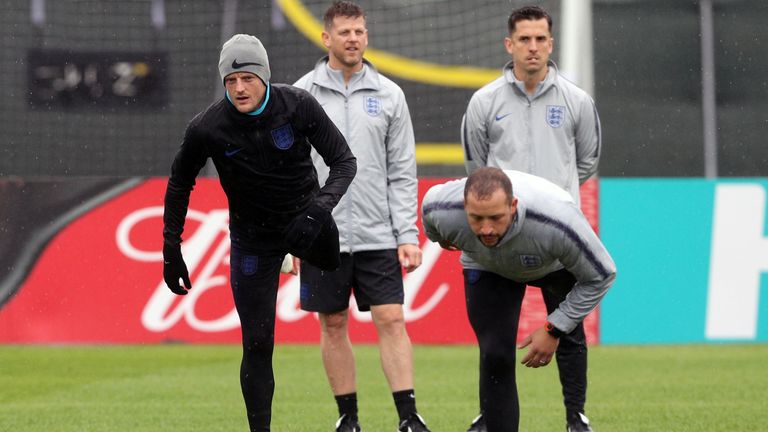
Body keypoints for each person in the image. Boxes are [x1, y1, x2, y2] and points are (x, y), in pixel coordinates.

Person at [162, 34, 356, 431]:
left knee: (331, 269)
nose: (239, 88)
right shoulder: (207, 127)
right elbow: (180, 183)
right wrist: (171, 247)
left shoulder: (297, 105)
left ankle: (294, 254)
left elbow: (344, 162)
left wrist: (316, 212)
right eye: (230, 81)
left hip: (307, 223)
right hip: (253, 238)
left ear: (264, 77)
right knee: (256, 342)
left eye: (247, 78)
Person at [461, 5, 602, 431]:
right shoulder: (484, 101)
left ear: (551, 44)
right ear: (510, 44)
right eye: (524, 39)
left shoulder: (577, 101)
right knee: (496, 343)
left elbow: (587, 160)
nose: (533, 47)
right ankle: (491, 414)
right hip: (500, 240)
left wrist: (553, 203)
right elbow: (477, 168)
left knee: (570, 332)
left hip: (557, 238)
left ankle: (576, 416)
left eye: (541, 39)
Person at [292, 2, 429, 432]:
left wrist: (407, 233)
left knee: (391, 318)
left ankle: (408, 418)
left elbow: (402, 171)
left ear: (366, 36)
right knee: (333, 323)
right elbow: (290, 172)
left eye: (359, 32)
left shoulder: (390, 95)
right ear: (326, 38)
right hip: (322, 235)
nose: (353, 39)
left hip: (377, 233)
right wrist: (294, 235)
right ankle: (347, 419)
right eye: (345, 32)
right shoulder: (301, 95)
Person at [421, 167, 615, 432]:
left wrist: (555, 327)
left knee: (570, 335)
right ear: (464, 207)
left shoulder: (557, 221)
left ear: (513, 206)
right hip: (488, 266)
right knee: (495, 355)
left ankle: (576, 419)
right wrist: (439, 238)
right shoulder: (443, 209)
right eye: (476, 218)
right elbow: (429, 214)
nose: (486, 228)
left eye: (496, 217)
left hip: (552, 266)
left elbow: (602, 275)